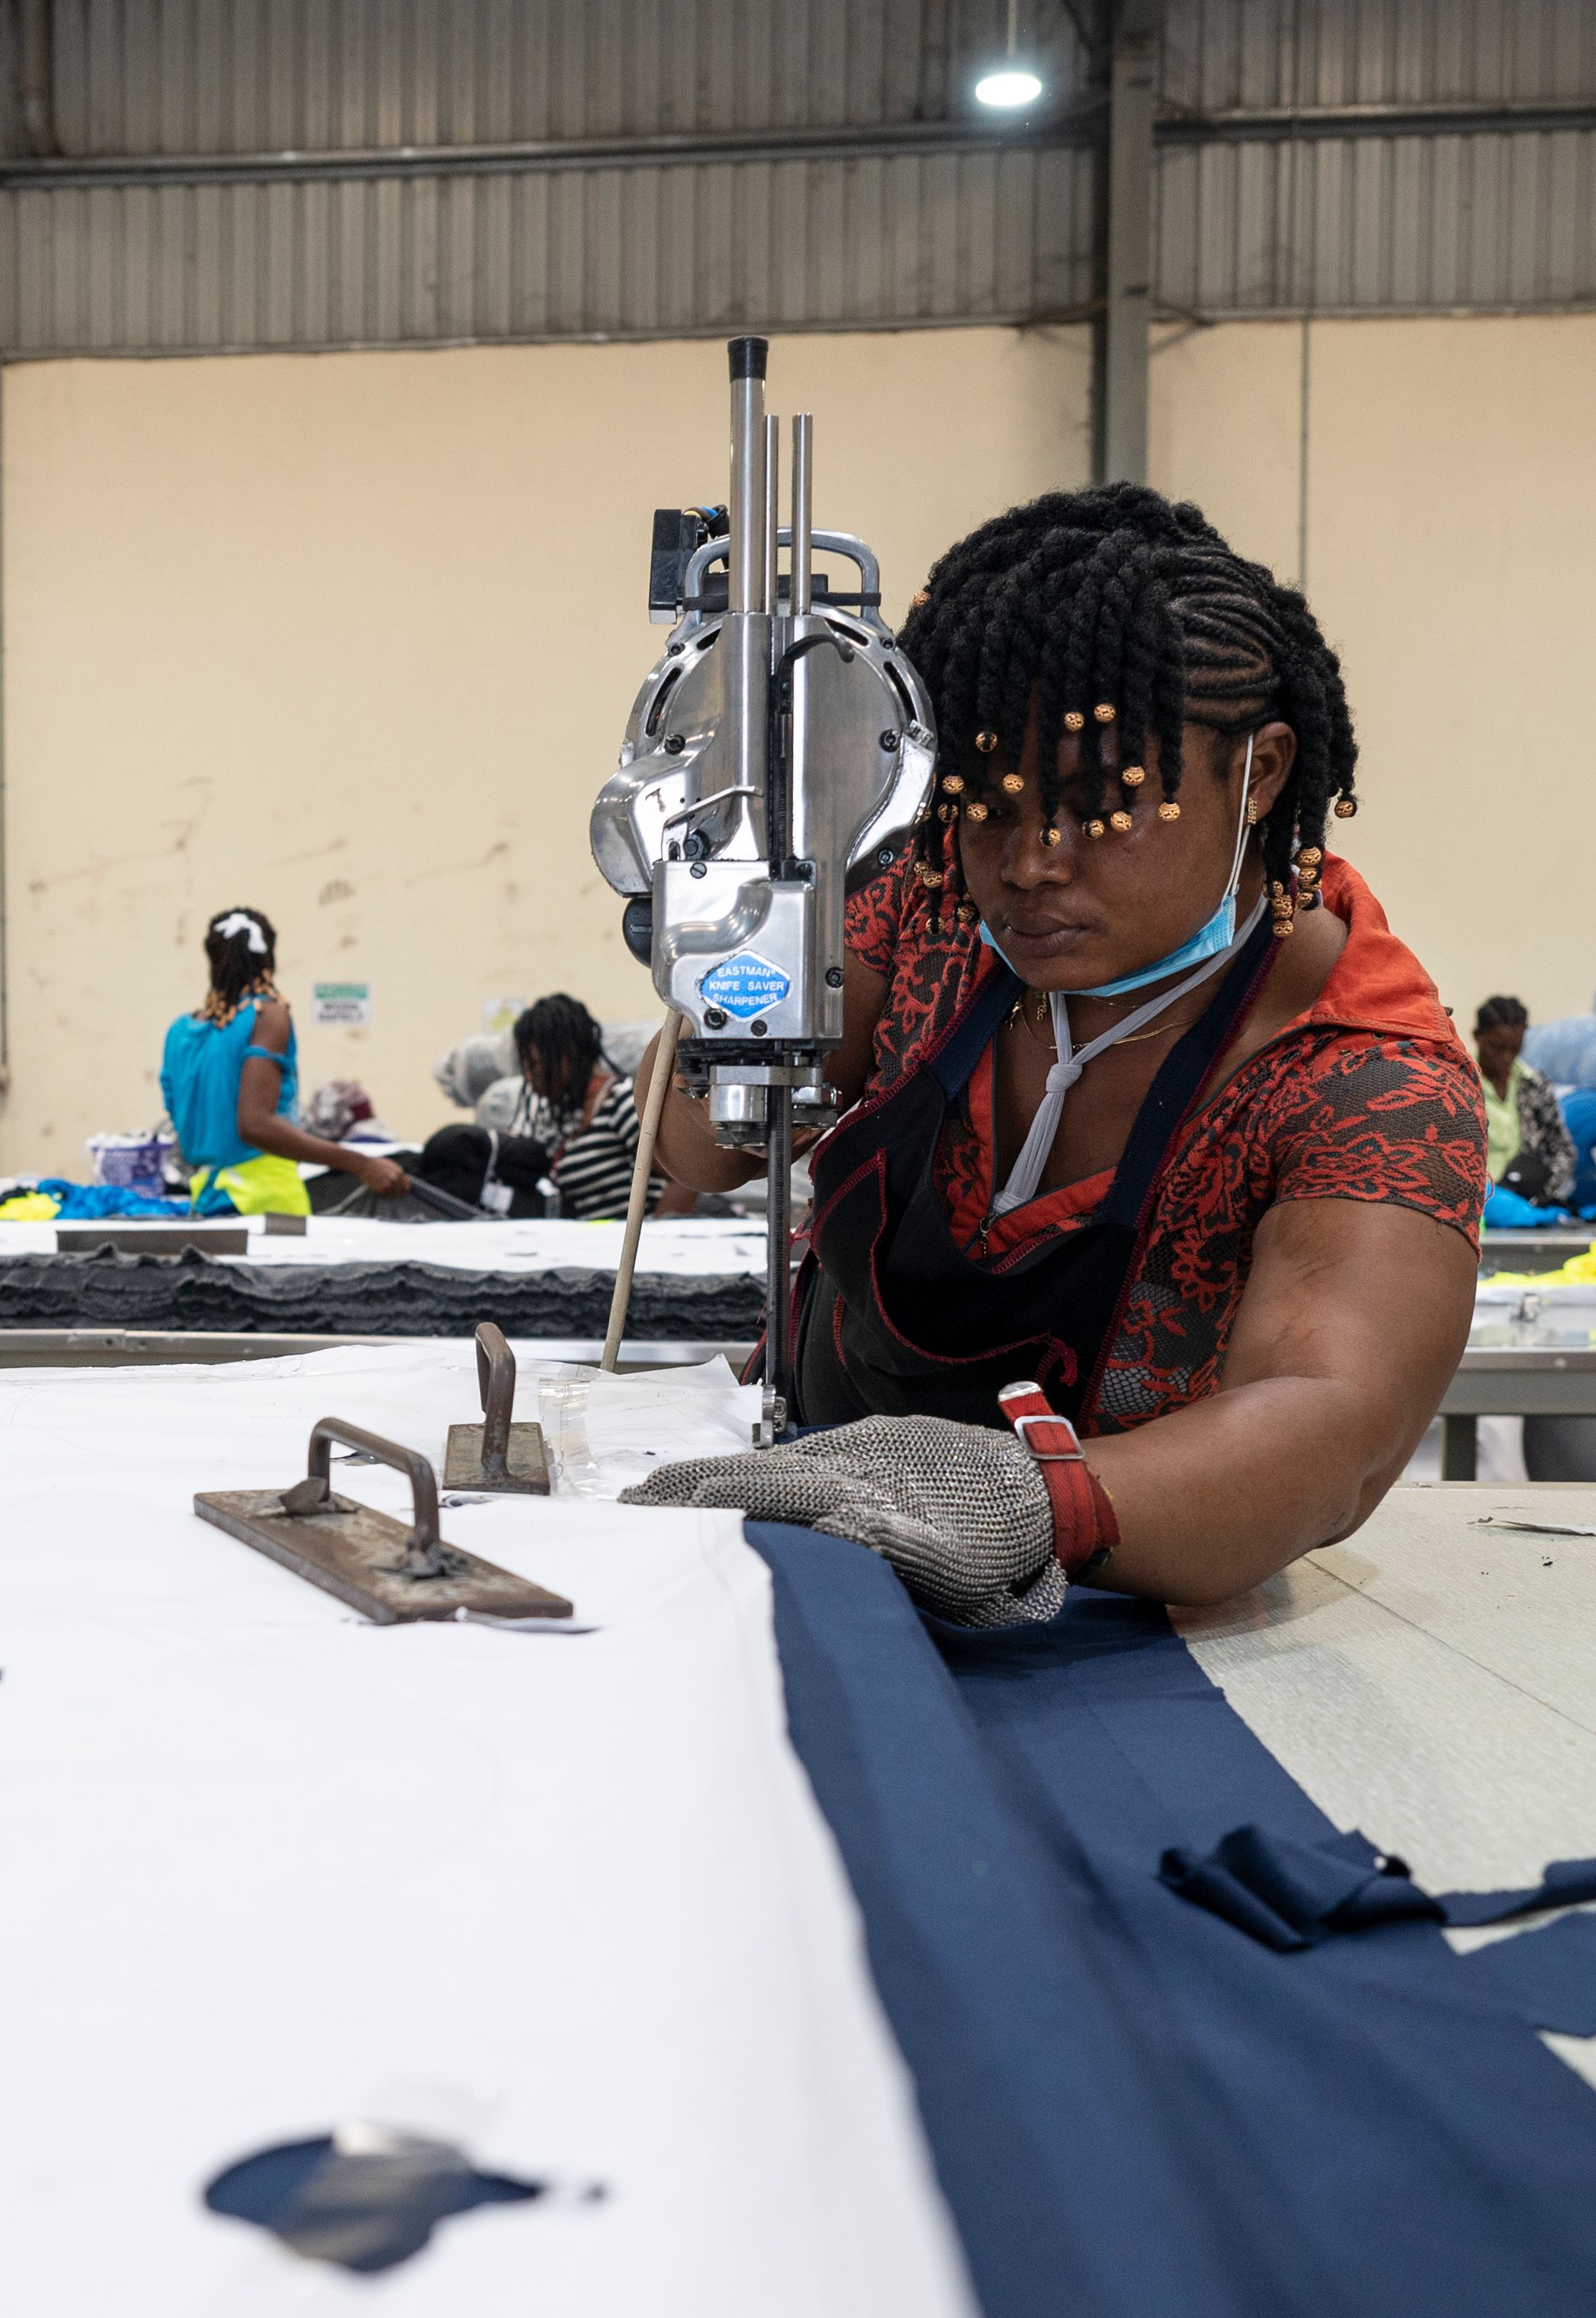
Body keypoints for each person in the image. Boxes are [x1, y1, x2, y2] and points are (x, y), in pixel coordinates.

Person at [633, 486, 1484, 1612]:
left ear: (1261, 771)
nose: (1030, 862)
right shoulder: (927, 906)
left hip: (1114, 1638)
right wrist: (747, 927)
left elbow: (1329, 1425)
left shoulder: (1364, 1081)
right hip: (796, 1549)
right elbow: (694, 1156)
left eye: (1103, 806)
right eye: (984, 803)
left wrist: (1023, 1499)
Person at [158, 908, 408, 1214]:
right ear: (269, 960)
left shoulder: (180, 1031)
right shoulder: (268, 1015)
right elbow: (255, 1125)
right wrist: (362, 1164)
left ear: (211, 960)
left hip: (207, 1200)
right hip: (267, 1203)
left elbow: (182, 1118)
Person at [508, 993, 675, 1221]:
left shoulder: (621, 1102)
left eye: (535, 1065)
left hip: (637, 1249)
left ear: (566, 1054)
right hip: (596, 1248)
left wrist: (659, 1236)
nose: (529, 1077)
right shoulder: (561, 1118)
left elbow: (682, 1180)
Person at [1472, 995, 1575, 1205]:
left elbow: (1562, 1151)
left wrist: (1539, 1192)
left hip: (1523, 1204)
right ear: (1477, 1037)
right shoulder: (1459, 1083)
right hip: (1471, 1205)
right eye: (1497, 1048)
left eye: (1514, 1049)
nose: (1506, 1057)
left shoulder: (1534, 1085)